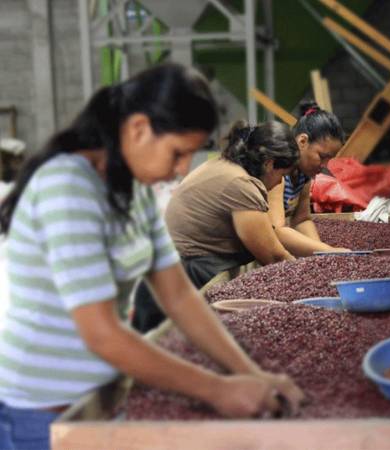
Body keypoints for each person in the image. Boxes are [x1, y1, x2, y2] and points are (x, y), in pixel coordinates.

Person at [0, 64, 303, 450]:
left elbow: (179, 296)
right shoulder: (68, 186)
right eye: (178, 153)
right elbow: (102, 334)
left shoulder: (135, 190)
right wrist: (217, 389)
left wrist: (251, 374)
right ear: (139, 129)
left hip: (102, 397)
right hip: (42, 412)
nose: (181, 170)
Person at [132, 120, 298, 333]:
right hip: (185, 276)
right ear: (269, 164)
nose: (279, 184)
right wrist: (307, 276)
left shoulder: (224, 166)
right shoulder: (240, 184)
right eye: (282, 176)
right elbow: (273, 255)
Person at [268, 102, 348, 256]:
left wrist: (322, 253)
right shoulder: (277, 174)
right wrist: (328, 251)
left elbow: (301, 220)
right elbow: (278, 231)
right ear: (302, 142)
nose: (325, 165)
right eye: (322, 156)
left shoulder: (303, 176)